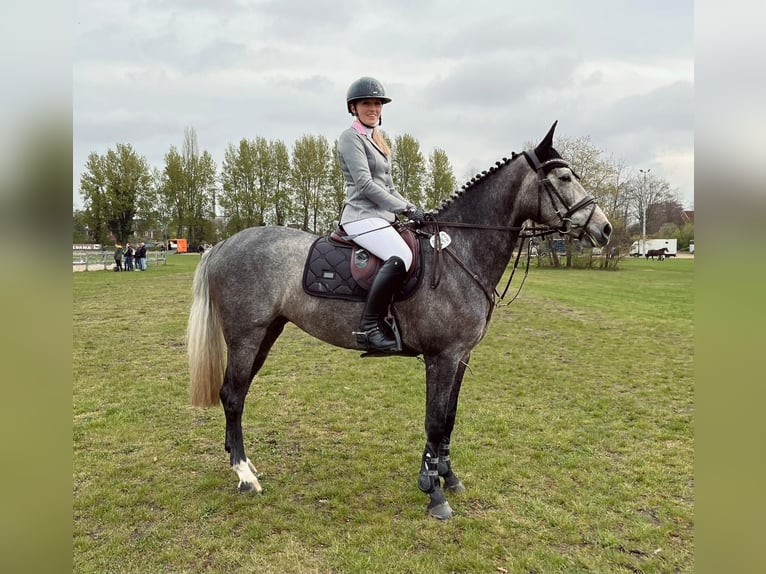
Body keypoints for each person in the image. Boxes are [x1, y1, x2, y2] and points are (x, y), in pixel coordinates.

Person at [337, 76, 425, 353]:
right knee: (401, 257)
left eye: (377, 104)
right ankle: (372, 327)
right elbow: (365, 185)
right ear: (354, 107)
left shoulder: (376, 139)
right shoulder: (350, 137)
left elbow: (390, 188)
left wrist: (415, 208)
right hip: (360, 216)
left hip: (381, 217)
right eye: (367, 104)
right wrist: (405, 209)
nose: (373, 108)